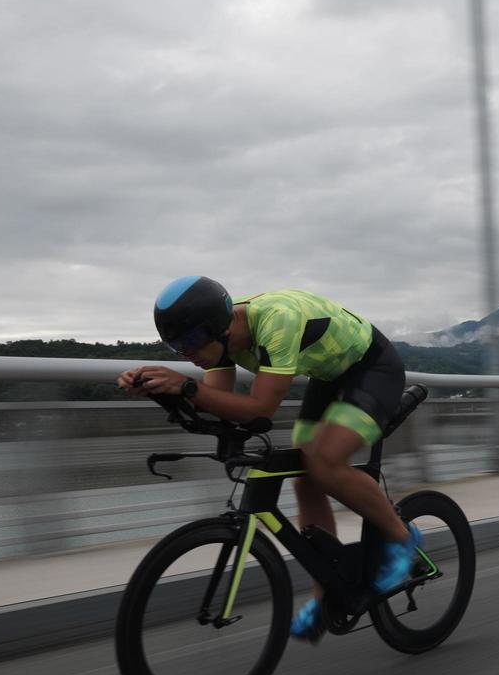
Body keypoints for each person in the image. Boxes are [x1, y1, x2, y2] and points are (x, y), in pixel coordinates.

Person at [117, 275, 420, 643]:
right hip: (328, 375)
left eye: (193, 341)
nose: (189, 354)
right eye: (177, 348)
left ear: (220, 327)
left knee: (323, 462)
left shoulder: (277, 321)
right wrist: (158, 389)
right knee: (304, 477)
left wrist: (185, 385)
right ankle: (329, 595)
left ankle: (402, 537)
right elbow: (219, 408)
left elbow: (261, 409)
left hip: (372, 368)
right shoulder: (220, 341)